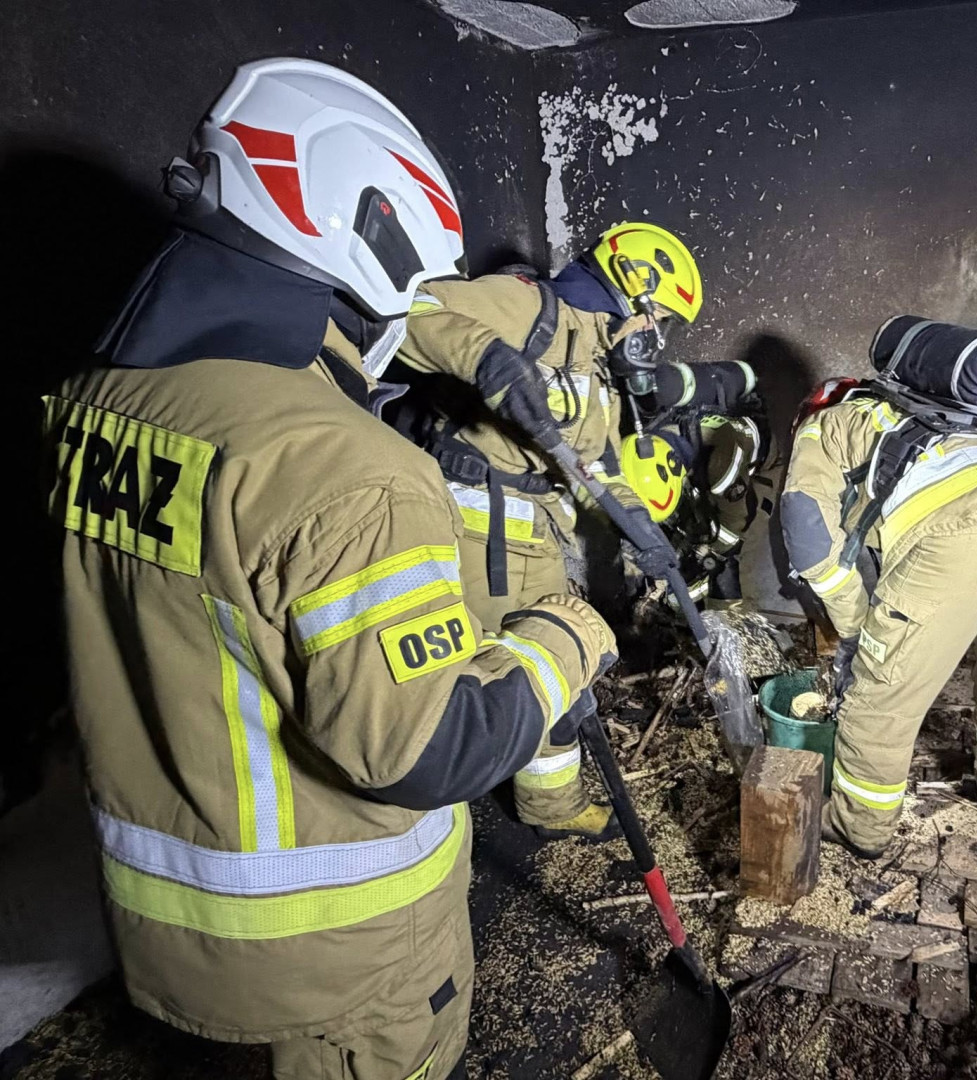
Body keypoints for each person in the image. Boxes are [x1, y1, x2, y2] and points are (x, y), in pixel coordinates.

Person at [42, 58, 614, 1080]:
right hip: (339, 973)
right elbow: (430, 747)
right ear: (369, 237)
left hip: (172, 939)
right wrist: (573, 636)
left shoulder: (93, 403)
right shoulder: (346, 470)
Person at [388, 223, 701, 840]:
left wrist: (643, 530)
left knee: (556, 660)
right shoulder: (529, 306)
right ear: (630, 292)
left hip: (538, 528)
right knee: (526, 664)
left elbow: (600, 468)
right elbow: (409, 314)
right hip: (484, 525)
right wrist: (485, 357)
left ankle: (548, 804)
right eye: (659, 318)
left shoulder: (595, 370)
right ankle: (467, 810)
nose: (656, 338)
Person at [781, 318, 977, 858]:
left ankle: (861, 826)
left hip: (960, 539)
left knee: (881, 692)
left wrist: (852, 622)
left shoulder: (832, 423)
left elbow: (806, 525)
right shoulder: (955, 414)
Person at [621, 359, 776, 610]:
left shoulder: (721, 465)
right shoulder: (640, 443)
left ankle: (734, 619)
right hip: (699, 457)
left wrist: (709, 552)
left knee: (734, 555)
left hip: (757, 460)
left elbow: (736, 524)